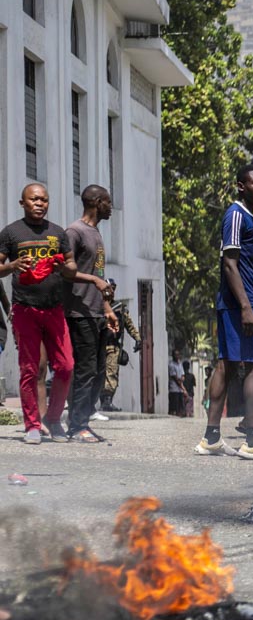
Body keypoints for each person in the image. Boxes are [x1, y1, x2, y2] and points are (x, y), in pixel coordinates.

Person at [0, 183, 113, 444]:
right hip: (25, 308)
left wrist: (65, 265)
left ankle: (53, 418)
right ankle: (32, 425)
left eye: (44, 200)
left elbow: (71, 266)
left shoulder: (58, 233)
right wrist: (14, 265)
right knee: (30, 369)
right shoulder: (11, 233)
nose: (40, 204)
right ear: (23, 203)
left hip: (54, 309)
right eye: (34, 200)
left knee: (66, 366)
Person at [193, 165, 253, 460]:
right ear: (241, 186)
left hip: (245, 300)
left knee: (228, 365)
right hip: (238, 304)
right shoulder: (235, 215)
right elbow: (229, 264)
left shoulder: (248, 218)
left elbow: (246, 268)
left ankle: (211, 439)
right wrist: (246, 307)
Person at [64, 185, 120, 441]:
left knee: (98, 371)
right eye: (108, 202)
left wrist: (107, 308)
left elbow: (97, 275)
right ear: (97, 202)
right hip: (78, 312)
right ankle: (76, 426)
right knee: (85, 371)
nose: (111, 207)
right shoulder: (75, 231)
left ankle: (83, 421)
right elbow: (65, 270)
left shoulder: (95, 233)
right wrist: (95, 282)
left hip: (96, 312)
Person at [99, 284, 141, 412]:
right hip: (98, 346)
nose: (110, 291)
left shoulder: (120, 308)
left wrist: (138, 339)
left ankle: (107, 401)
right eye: (108, 288)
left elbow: (129, 325)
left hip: (113, 347)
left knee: (111, 373)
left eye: (112, 288)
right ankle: (102, 402)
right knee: (99, 375)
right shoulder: (97, 306)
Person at [168, 348, 187, 417]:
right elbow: (175, 378)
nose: (177, 356)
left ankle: (180, 415)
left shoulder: (180, 364)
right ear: (173, 355)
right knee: (174, 405)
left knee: (180, 405)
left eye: (178, 355)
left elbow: (182, 374)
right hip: (174, 389)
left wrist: (182, 378)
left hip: (180, 389)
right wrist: (182, 387)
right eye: (176, 355)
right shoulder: (171, 365)